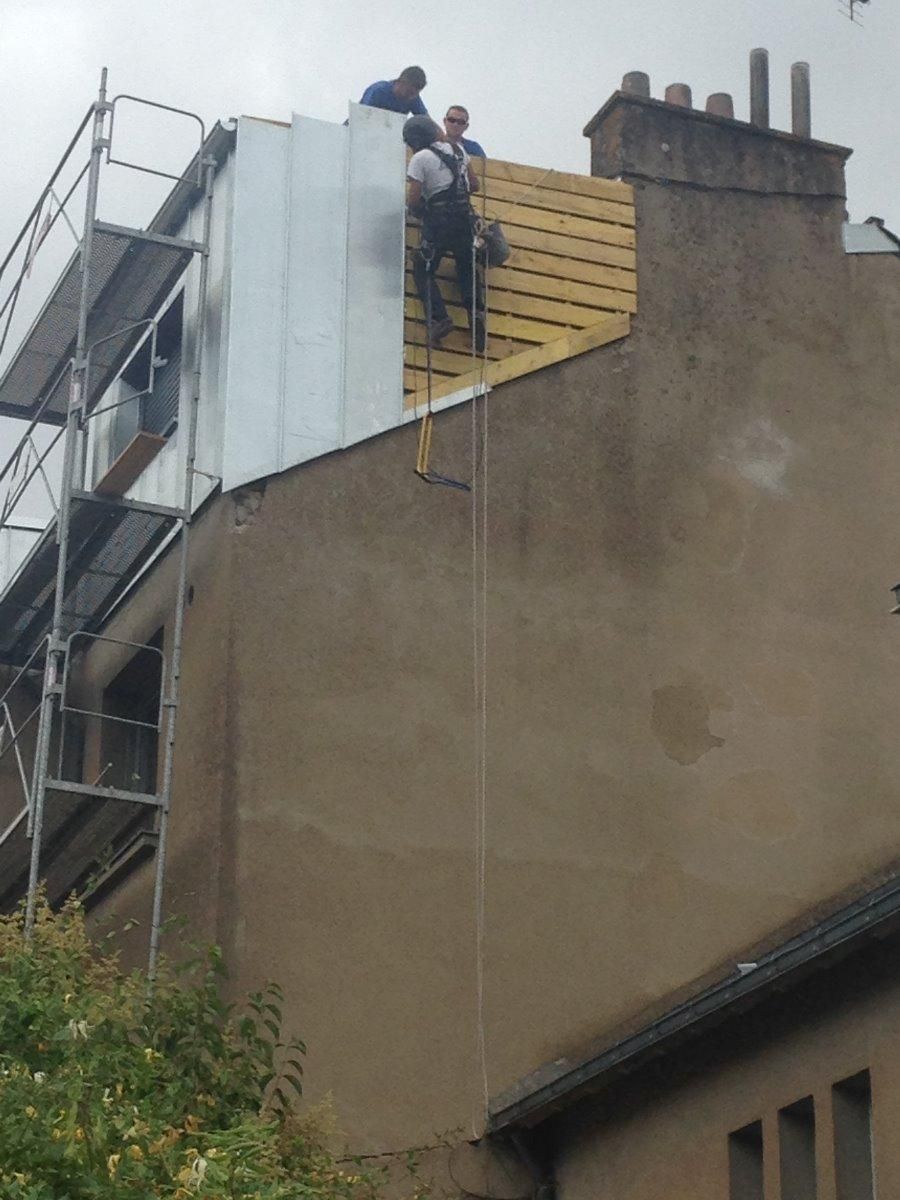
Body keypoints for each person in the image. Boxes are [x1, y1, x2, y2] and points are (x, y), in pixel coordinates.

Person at [405, 116, 485, 352]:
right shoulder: (458, 150)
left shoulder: (420, 158)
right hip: (463, 219)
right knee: (466, 268)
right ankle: (476, 314)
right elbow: (474, 185)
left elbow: (414, 198)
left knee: (423, 269)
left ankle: (440, 319)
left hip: (438, 221)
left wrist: (417, 211)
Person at [359, 67, 428, 117]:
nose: (411, 97)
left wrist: (436, 134)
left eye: (415, 94)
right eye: (409, 92)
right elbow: (363, 115)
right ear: (401, 83)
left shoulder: (413, 98)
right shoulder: (378, 91)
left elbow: (427, 122)